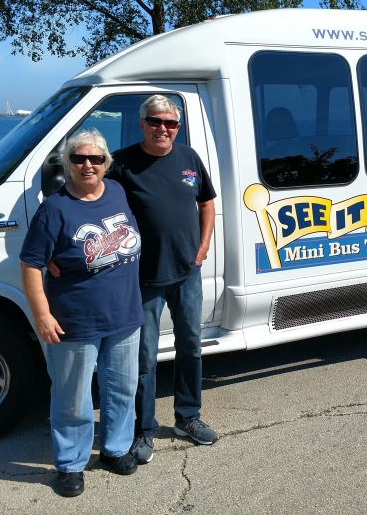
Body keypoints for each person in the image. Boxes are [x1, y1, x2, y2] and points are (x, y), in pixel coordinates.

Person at [20, 129, 143, 497]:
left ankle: (115, 448)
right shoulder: (55, 208)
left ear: (107, 163)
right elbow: (30, 265)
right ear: (68, 163)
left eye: (96, 159)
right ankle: (71, 464)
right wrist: (42, 315)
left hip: (124, 314)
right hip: (74, 320)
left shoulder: (118, 192)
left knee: (121, 388)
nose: (88, 165)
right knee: (72, 397)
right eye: (79, 158)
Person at [108, 95, 218, 460]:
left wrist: (202, 247)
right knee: (144, 358)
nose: (163, 129)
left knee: (190, 347)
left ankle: (188, 417)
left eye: (171, 124)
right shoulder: (121, 163)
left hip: (187, 272)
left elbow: (206, 202)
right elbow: (90, 200)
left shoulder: (189, 158)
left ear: (178, 128)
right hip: (143, 278)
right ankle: (145, 429)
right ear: (142, 123)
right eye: (156, 121)